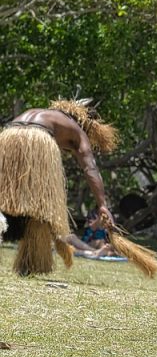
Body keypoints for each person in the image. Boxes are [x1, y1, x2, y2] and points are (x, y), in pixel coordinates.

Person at [0, 100, 117, 276]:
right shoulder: (77, 130)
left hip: (8, 135)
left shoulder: (46, 114)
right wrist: (102, 204)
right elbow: (90, 167)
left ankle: (29, 260)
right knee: (42, 207)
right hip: (39, 138)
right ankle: (30, 264)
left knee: (6, 198)